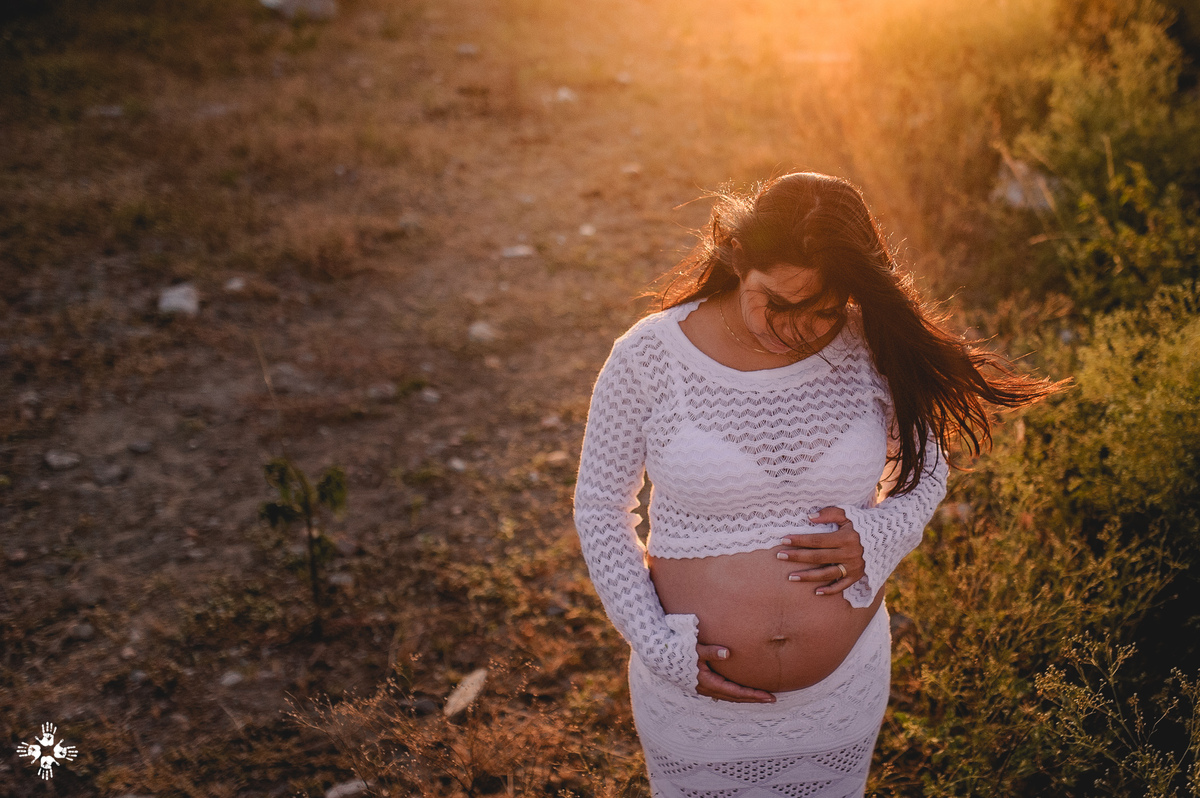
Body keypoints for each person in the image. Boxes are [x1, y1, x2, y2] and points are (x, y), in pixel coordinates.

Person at [572, 172, 1066, 797]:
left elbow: (927, 469)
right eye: (776, 301)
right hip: (694, 697)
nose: (799, 327)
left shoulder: (868, 347)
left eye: (824, 309)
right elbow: (599, 508)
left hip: (841, 696)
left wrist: (878, 533)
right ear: (739, 258)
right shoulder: (650, 355)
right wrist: (655, 643)